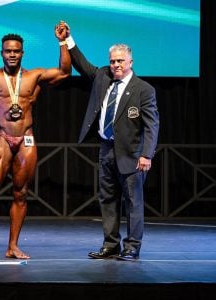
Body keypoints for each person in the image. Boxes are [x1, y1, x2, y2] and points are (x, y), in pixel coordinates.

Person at [0, 19, 72, 260]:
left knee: (21, 193)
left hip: (26, 139)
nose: (12, 54)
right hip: (2, 138)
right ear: (1, 53)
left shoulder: (34, 77)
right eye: (8, 51)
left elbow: (64, 72)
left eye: (16, 51)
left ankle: (13, 246)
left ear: (22, 53)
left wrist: (62, 41)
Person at [64, 24, 159, 260]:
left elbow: (152, 125)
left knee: (133, 203)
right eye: (113, 61)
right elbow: (82, 65)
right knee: (107, 199)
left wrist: (146, 154)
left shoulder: (143, 90)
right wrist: (67, 40)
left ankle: (132, 246)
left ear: (130, 62)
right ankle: (111, 245)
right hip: (106, 149)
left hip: (131, 153)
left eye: (120, 61)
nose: (116, 65)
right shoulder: (102, 76)